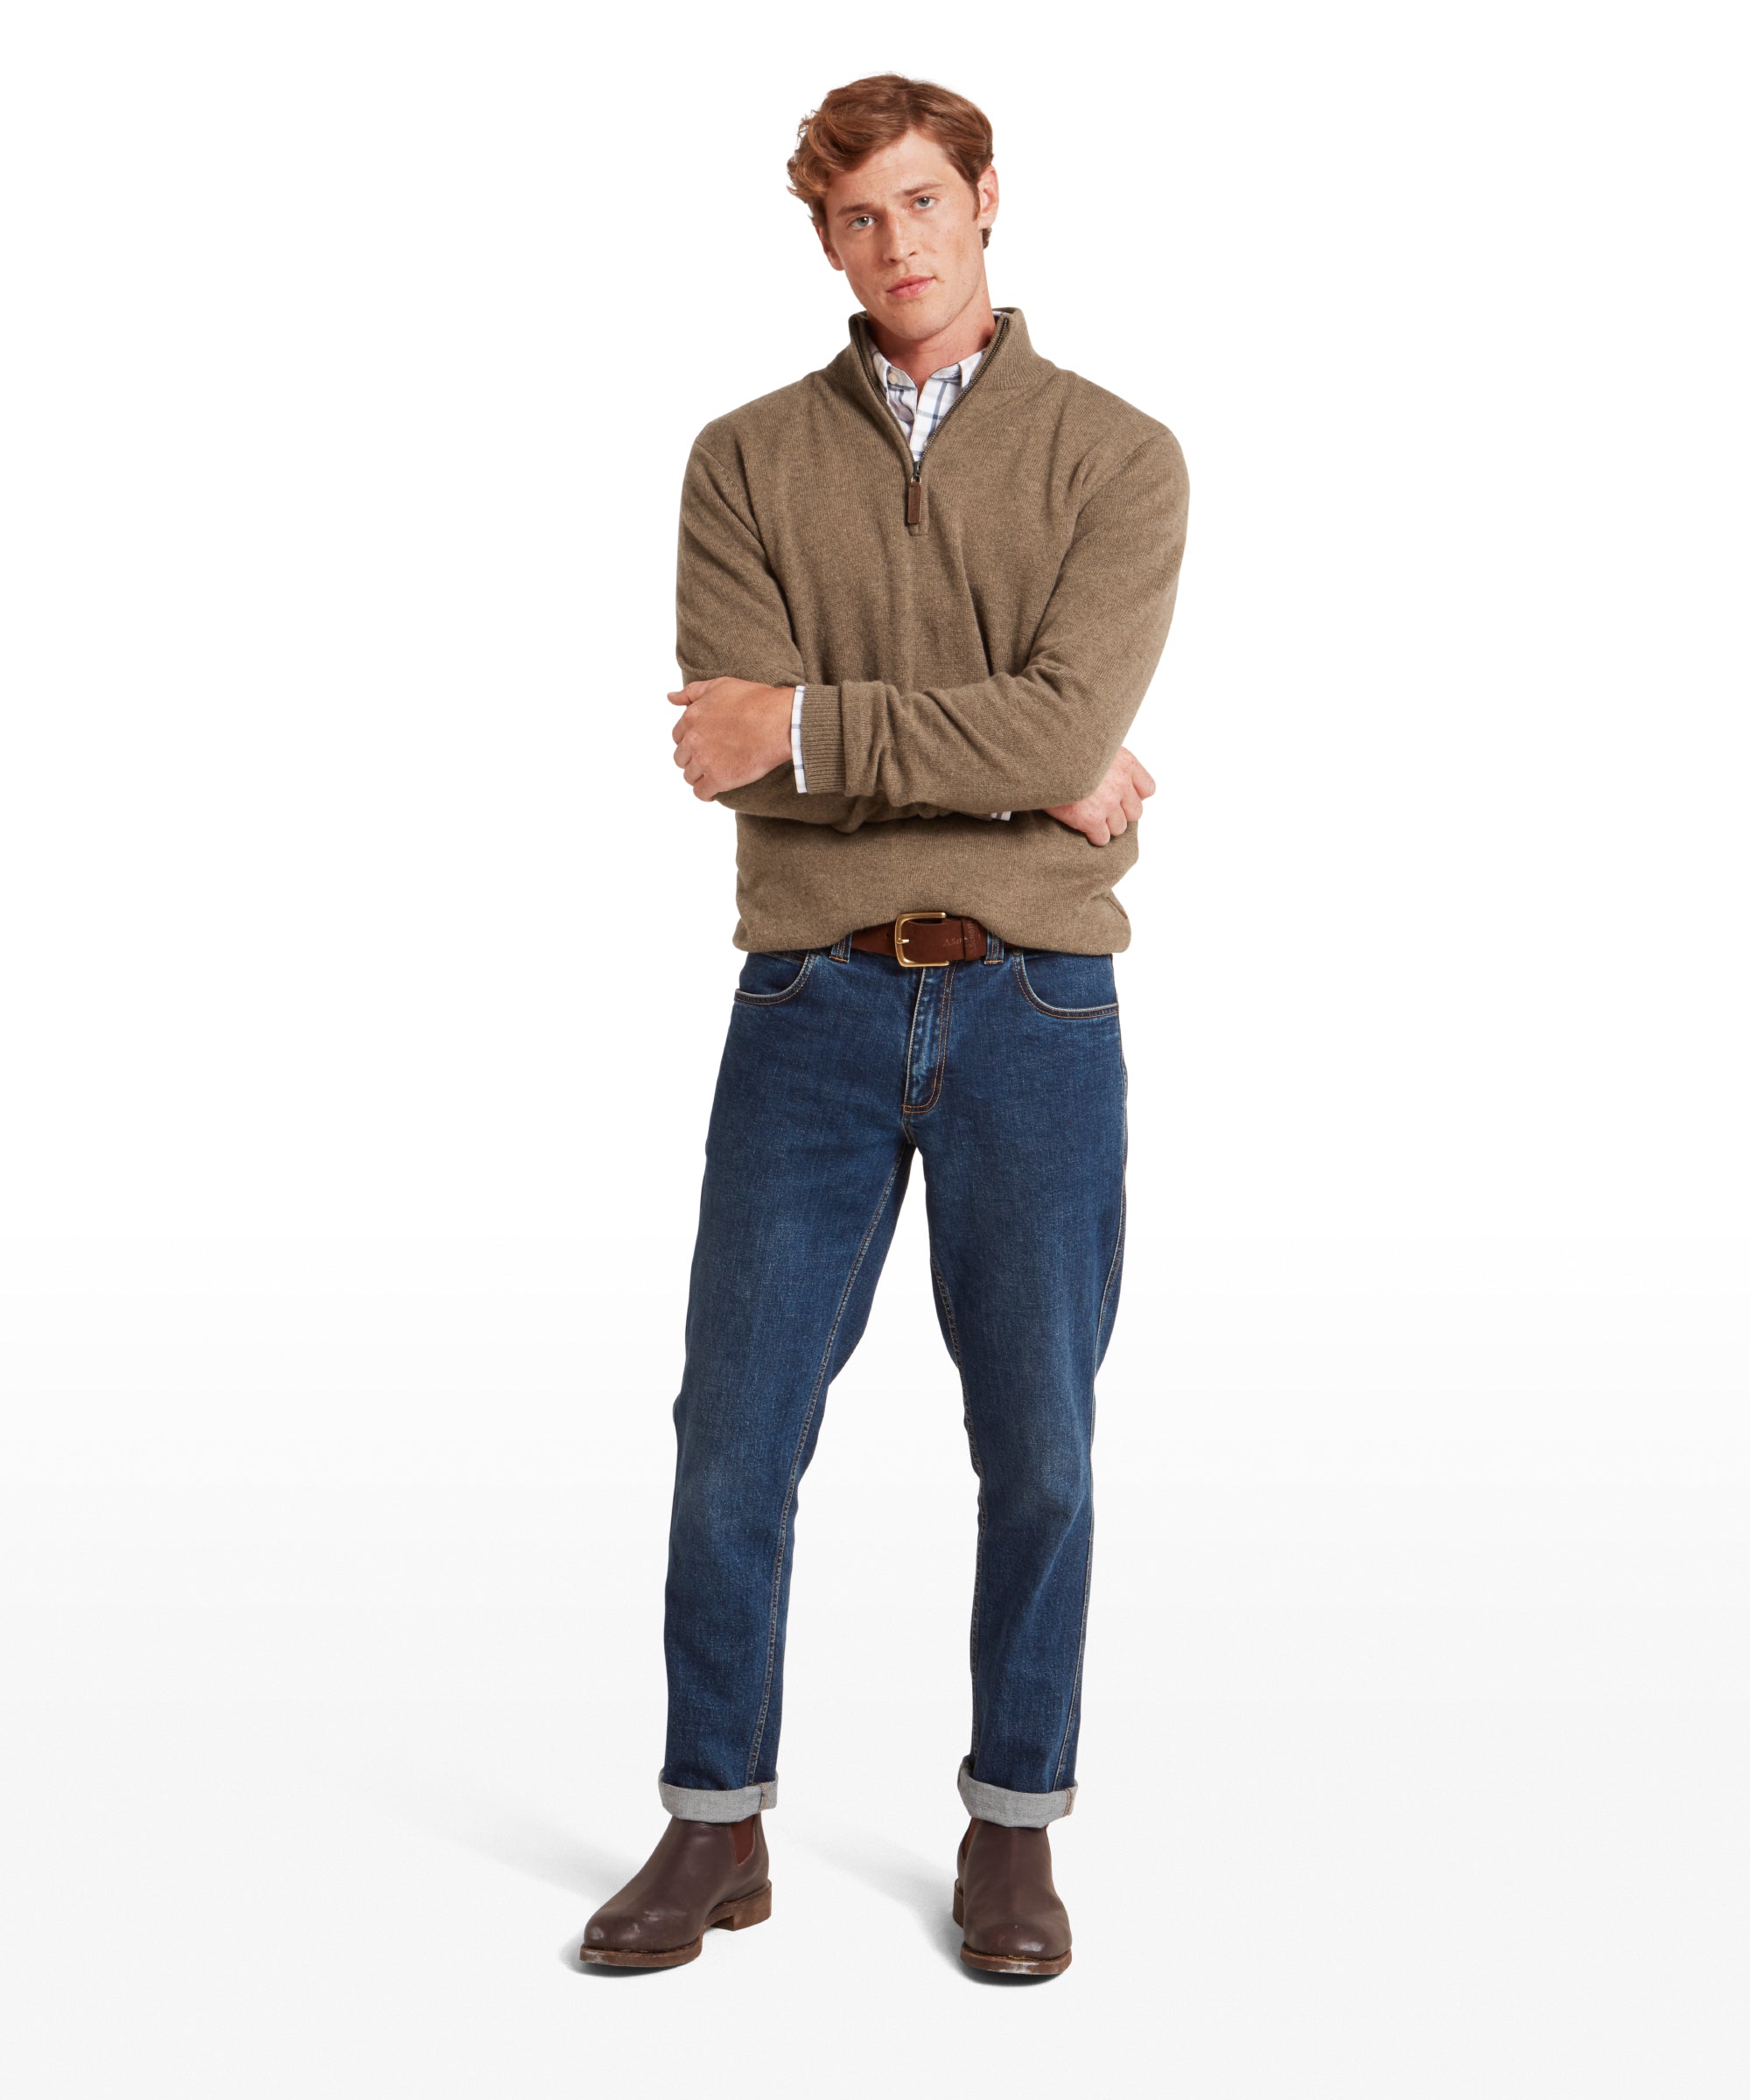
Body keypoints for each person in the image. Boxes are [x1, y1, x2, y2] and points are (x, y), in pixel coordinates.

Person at [580, 72, 1189, 1978]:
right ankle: (712, 1823)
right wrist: (1026, 768)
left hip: (1038, 1006)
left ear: (986, 197)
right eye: (857, 217)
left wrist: (829, 730)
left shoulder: (1119, 458)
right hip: (810, 1003)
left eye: (923, 200)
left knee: (1041, 1445)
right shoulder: (744, 460)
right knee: (732, 1434)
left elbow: (1032, 720)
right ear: (826, 241)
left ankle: (1015, 1829)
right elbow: (726, 752)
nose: (895, 243)